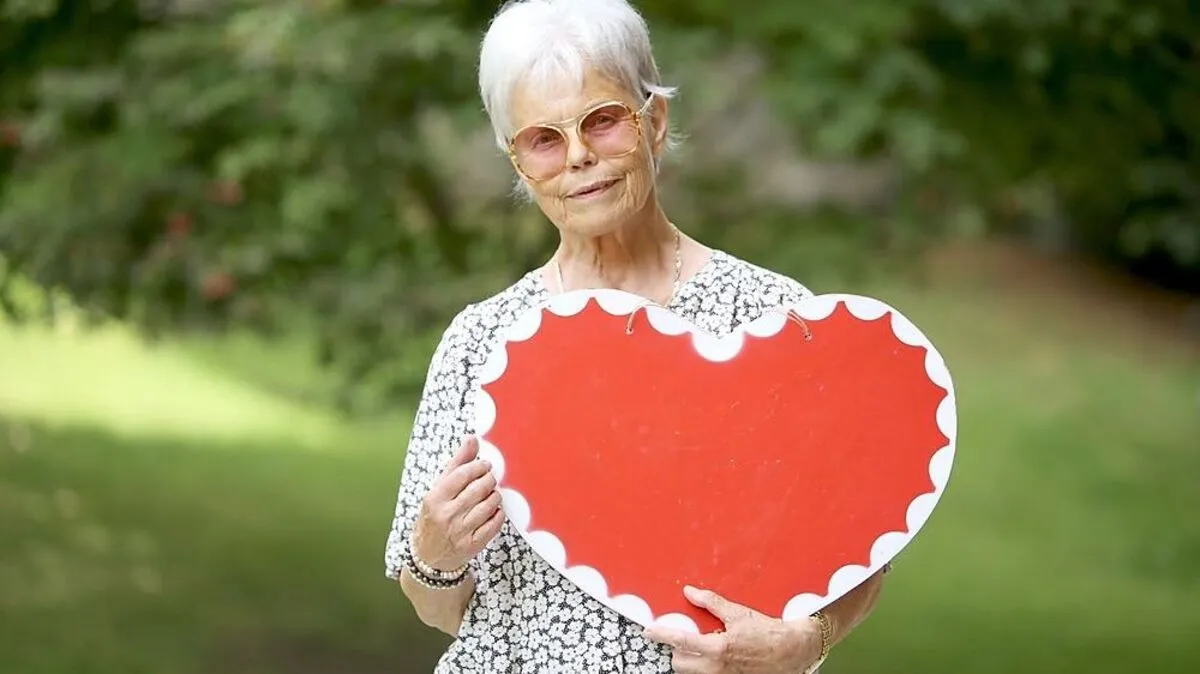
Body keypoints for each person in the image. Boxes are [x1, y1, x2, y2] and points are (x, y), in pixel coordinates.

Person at [384, 1, 888, 671]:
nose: (579, 157)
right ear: (519, 163)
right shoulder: (484, 343)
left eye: (602, 121)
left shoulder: (775, 320)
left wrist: (807, 641)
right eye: (543, 138)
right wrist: (434, 554)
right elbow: (442, 609)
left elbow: (859, 550)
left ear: (654, 122)